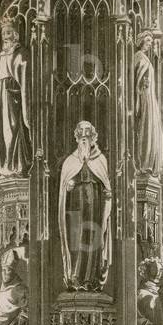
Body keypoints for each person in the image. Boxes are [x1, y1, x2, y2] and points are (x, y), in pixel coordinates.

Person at [58, 121, 112, 291]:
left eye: (87, 134)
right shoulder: (70, 161)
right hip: (75, 207)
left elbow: (105, 185)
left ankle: (90, 279)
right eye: (80, 134)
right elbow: (64, 188)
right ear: (76, 137)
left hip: (94, 207)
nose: (83, 137)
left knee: (93, 239)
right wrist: (69, 185)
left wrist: (107, 193)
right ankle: (74, 277)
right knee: (76, 239)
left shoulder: (100, 159)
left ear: (93, 137)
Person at [0, 17, 31, 177]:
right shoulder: (3, 55)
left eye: (8, 33)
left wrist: (16, 93)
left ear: (15, 35)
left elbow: (24, 79)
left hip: (14, 98)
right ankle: (6, 167)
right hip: (3, 98)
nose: (5, 37)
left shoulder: (21, 53)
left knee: (14, 130)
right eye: (3, 34)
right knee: (4, 133)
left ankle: (17, 166)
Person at [134, 31, 163, 174]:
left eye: (151, 42)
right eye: (147, 41)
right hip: (144, 97)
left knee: (151, 127)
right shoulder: (138, 56)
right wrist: (141, 87)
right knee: (146, 127)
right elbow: (134, 78)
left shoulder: (145, 57)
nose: (150, 44)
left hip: (149, 97)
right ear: (141, 41)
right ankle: (144, 163)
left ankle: (149, 163)